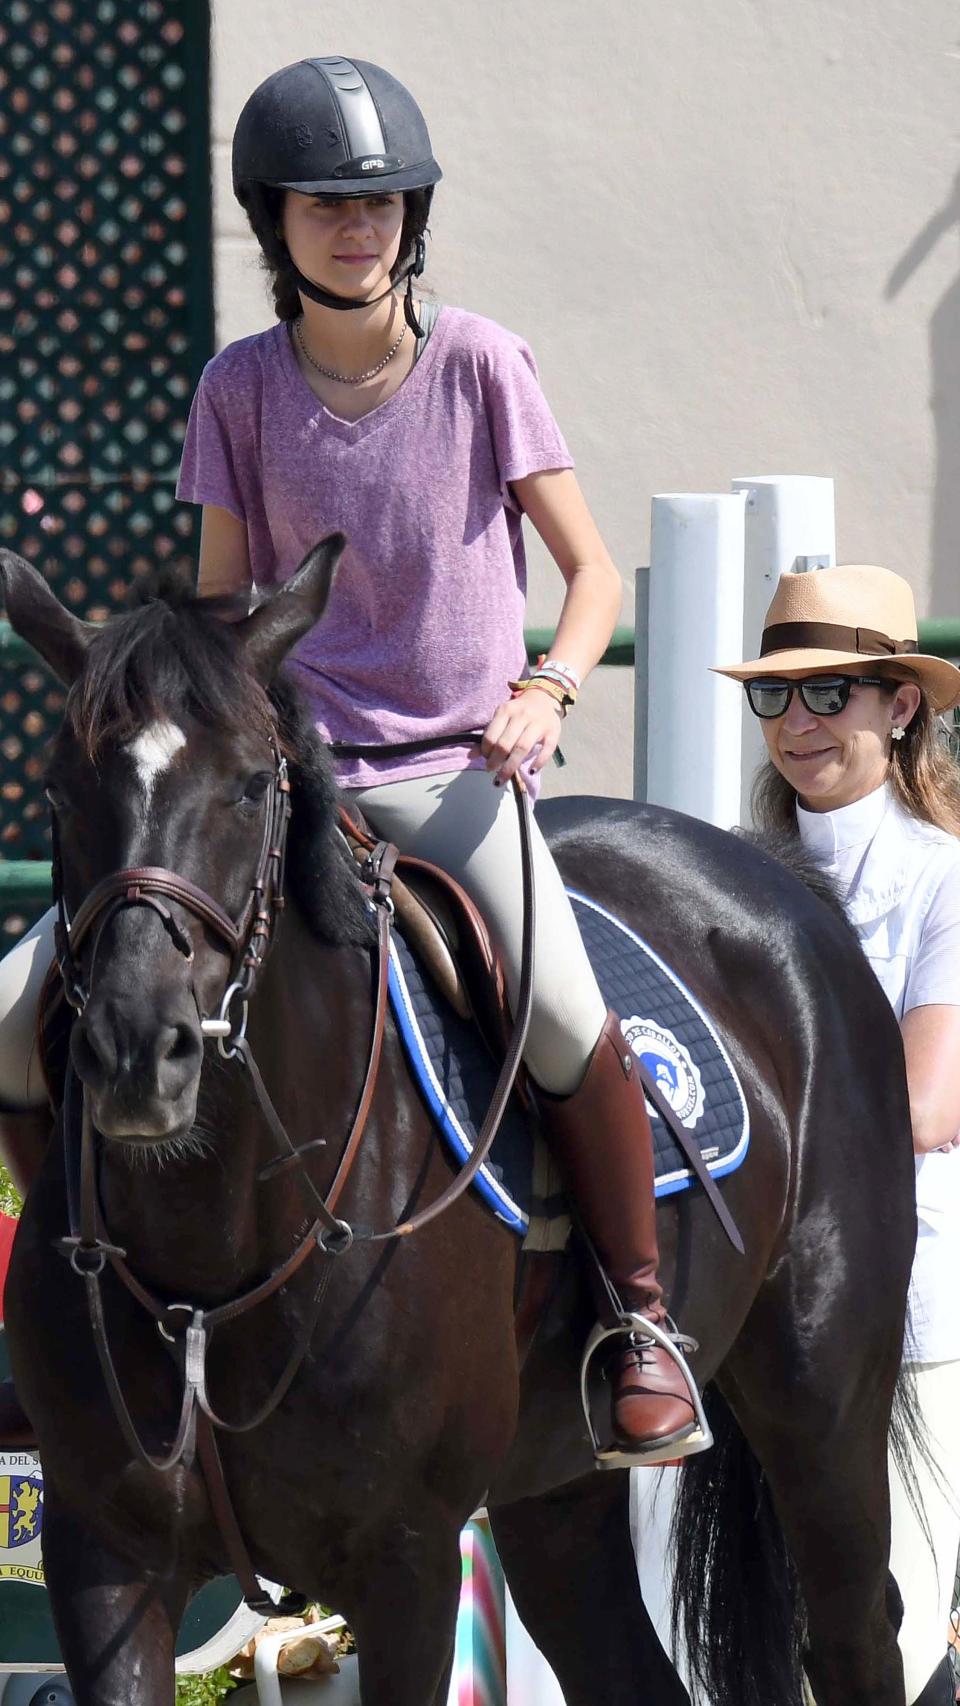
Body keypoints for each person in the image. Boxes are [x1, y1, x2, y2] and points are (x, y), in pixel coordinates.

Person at [0, 56, 703, 1464]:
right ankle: (67, 1316)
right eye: (327, 203)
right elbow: (220, 614)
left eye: (382, 201)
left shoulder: (484, 362)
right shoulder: (235, 387)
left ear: (413, 219)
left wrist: (551, 683)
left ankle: (639, 1326)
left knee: (563, 1013)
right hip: (281, 787)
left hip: (453, 774)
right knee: (19, 1010)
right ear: (277, 224)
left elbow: (591, 575)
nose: (358, 224)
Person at [716, 562, 960, 1706]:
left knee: (877, 1653)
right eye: (777, 696)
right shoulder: (714, 872)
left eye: (832, 693)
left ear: (899, 704)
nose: (798, 724)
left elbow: (925, 1107)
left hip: (905, 1304)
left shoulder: (944, 878)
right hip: (726, 1308)